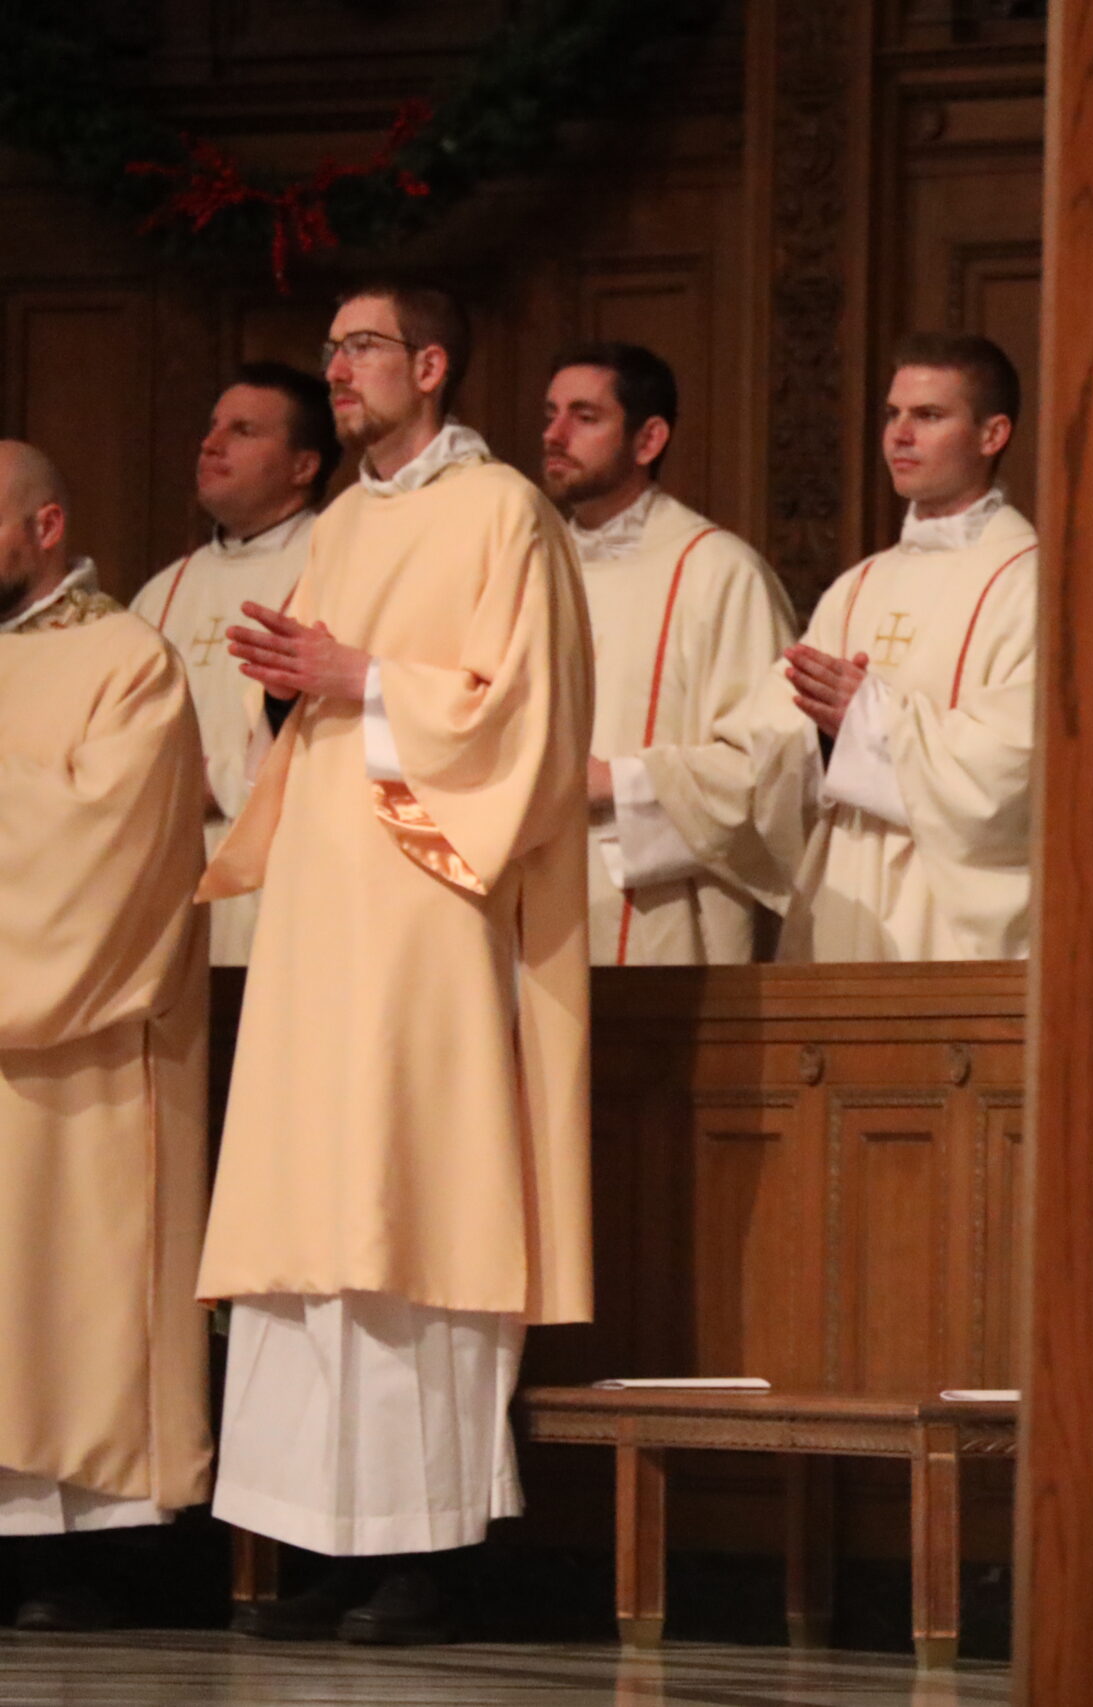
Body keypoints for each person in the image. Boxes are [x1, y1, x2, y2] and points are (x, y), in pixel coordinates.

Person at [197, 282, 594, 1644]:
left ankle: (425, 1551)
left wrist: (363, 678)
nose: (337, 368)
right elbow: (311, 693)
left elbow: (527, 718)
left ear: (429, 364)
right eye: (330, 349)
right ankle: (325, 1537)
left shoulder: (503, 513)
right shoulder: (346, 524)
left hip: (429, 903)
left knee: (411, 1201)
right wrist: (290, 683)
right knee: (314, 1215)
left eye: (360, 347)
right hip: (324, 906)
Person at [0, 441, 213, 1633]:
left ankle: (62, 1557)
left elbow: (105, 853)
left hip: (71, 1054)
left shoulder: (128, 660)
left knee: (57, 1287)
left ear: (47, 527)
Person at [770, 331, 1037, 961]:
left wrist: (869, 717)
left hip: (953, 926)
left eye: (929, 416)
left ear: (992, 435)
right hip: (848, 900)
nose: (900, 436)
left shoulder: (1034, 583)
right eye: (893, 415)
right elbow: (773, 742)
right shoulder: (857, 586)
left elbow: (1018, 770)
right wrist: (820, 733)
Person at [539, 342, 799, 964]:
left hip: (663, 922)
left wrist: (618, 783)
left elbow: (772, 769)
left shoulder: (719, 572)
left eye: (584, 417)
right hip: (535, 905)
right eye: (550, 414)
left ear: (649, 439)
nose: (555, 435)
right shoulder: (528, 567)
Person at [133, 364, 339, 965]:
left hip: (285, 877)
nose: (211, 444)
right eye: (213, 426)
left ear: (304, 466)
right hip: (163, 876)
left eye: (243, 431)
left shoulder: (338, 567)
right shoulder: (163, 590)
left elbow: (342, 735)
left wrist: (211, 782)